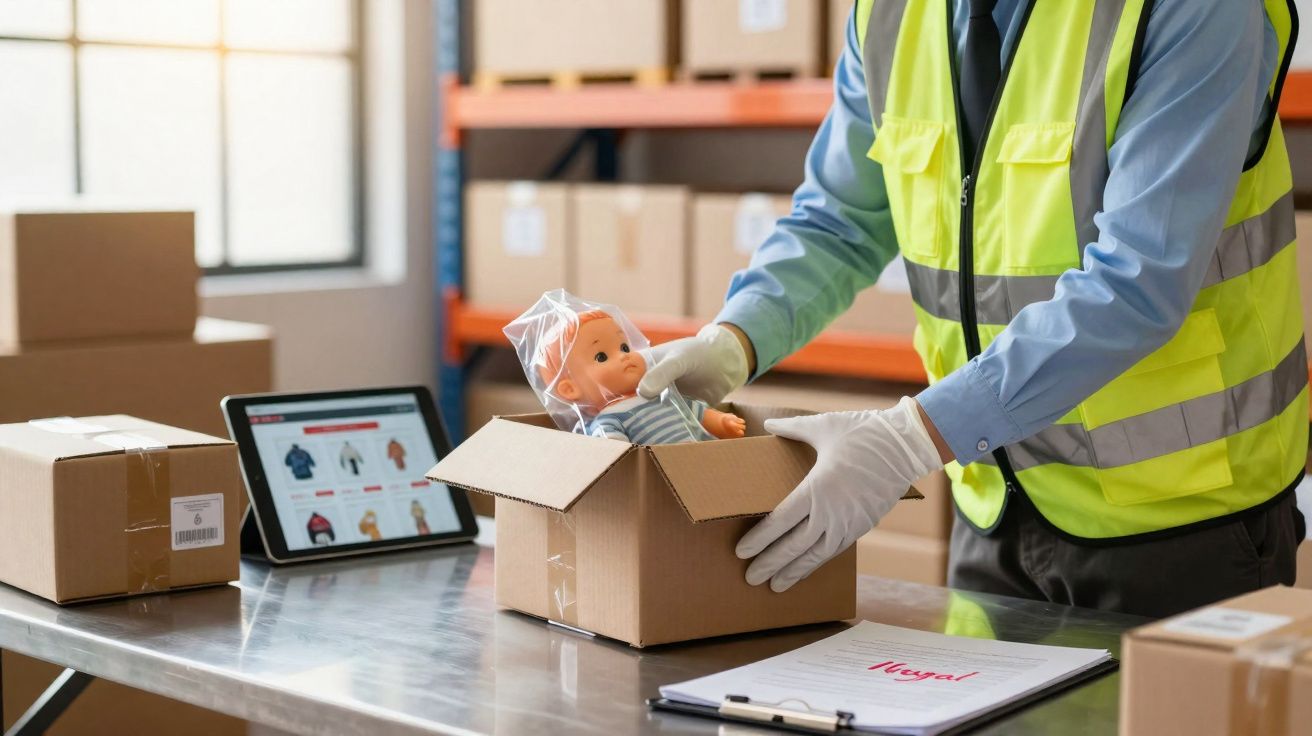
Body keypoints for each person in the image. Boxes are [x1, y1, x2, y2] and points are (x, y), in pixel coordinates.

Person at [640, 0, 1304, 618]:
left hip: (1184, 521)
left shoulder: (1190, 8)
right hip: (991, 500)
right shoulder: (890, 13)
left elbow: (1140, 280)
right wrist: (736, 339)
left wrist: (911, 438)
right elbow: (840, 219)